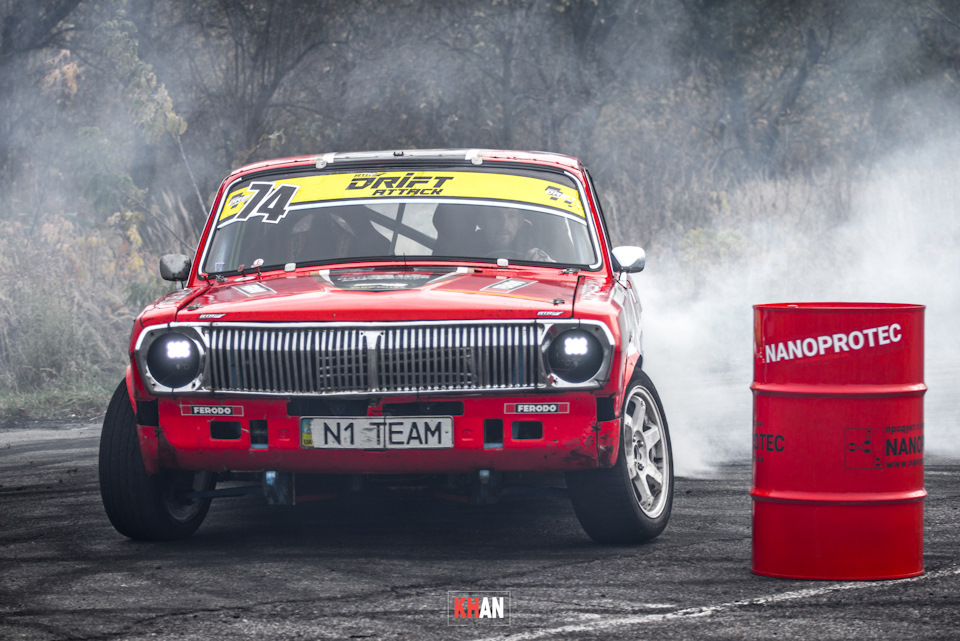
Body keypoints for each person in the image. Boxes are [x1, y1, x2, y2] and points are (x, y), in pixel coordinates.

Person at [478, 207, 553, 261]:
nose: (504, 224)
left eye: (511, 216)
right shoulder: (470, 250)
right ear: (482, 221)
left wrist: (541, 259)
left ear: (519, 221)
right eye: (496, 216)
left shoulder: (537, 252)